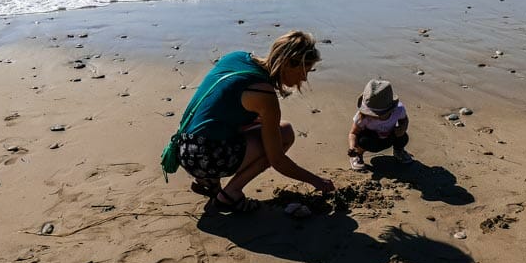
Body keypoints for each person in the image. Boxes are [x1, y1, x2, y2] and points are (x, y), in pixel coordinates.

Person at [177, 30, 335, 213]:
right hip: (206, 157)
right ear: (287, 64)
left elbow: (219, 108)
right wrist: (316, 181)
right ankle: (230, 194)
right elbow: (277, 160)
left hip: (184, 149)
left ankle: (209, 181)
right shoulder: (264, 94)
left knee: (259, 126)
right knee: (284, 132)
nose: (304, 78)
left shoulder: (237, 58)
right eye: (304, 71)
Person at [347, 79, 413, 171]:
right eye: (371, 113)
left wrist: (403, 127)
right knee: (363, 140)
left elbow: (404, 120)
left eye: (378, 114)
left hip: (389, 136)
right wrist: (352, 147)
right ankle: (358, 155)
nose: (374, 116)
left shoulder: (398, 110)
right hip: (371, 140)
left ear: (391, 109)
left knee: (403, 137)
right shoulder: (362, 116)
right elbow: (353, 133)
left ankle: (399, 151)